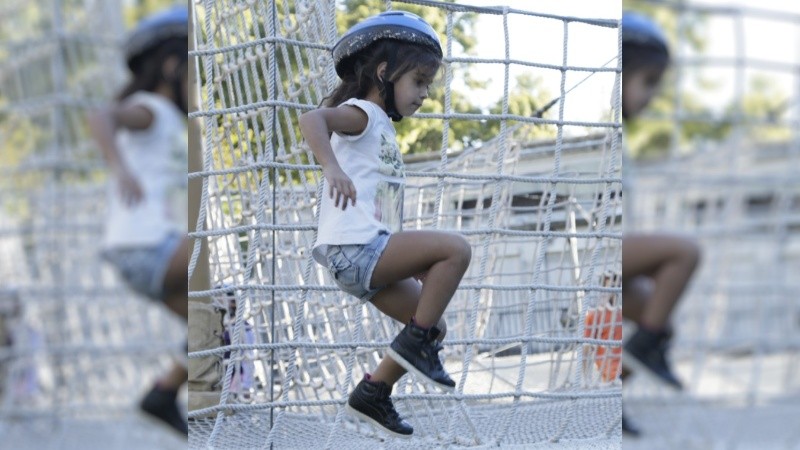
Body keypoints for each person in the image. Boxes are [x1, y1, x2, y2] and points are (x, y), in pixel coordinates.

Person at [298, 11, 472, 438]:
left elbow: (380, 204)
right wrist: (331, 168)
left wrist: (405, 256)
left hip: (368, 252)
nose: (425, 94)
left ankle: (374, 391)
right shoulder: (362, 113)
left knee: (431, 324)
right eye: (418, 81)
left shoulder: (383, 130)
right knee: (457, 249)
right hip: (355, 250)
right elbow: (311, 119)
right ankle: (411, 354)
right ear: (384, 72)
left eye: (428, 85)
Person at [87, 5, 189, 436]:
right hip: (146, 247)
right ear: (171, 65)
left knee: (219, 321)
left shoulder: (173, 123)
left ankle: (163, 393)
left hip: (146, 253)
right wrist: (120, 168)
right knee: (217, 251)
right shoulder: (149, 108)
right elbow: (101, 116)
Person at [620, 11, 703, 436]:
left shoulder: (623, 140)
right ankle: (647, 347)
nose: (652, 95)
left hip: (616, 257)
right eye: (647, 82)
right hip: (602, 253)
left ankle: (611, 397)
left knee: (660, 316)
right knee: (685, 251)